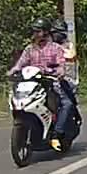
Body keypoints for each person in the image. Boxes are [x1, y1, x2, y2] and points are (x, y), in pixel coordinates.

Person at [9, 18, 72, 151]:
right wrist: (12, 71)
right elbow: (20, 64)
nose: (36, 34)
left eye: (38, 31)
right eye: (34, 31)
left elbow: (61, 64)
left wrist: (60, 71)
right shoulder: (29, 49)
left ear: (46, 32)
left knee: (66, 104)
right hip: (32, 84)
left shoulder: (55, 48)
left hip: (50, 83)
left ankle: (57, 132)